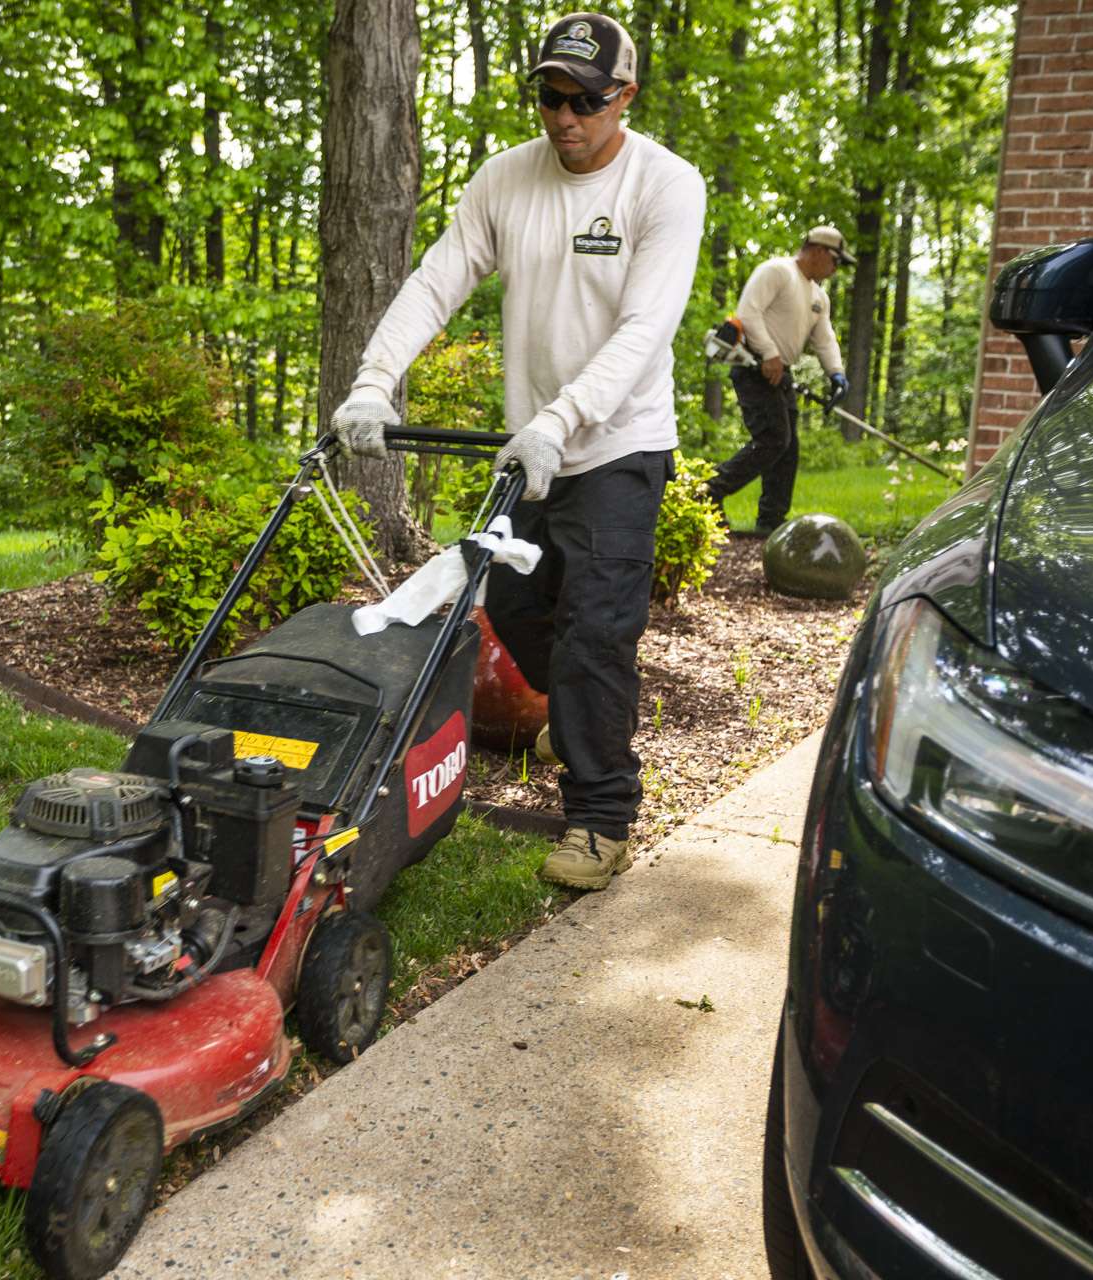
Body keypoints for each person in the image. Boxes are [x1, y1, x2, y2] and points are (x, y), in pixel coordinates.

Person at [328, 12, 706, 891]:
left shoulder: (665, 184)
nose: (564, 116)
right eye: (549, 95)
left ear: (626, 97)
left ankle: (601, 819)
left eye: (586, 100)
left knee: (595, 636)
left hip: (618, 445)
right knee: (522, 611)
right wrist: (373, 380)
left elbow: (647, 328)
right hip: (530, 449)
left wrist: (563, 417)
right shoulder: (507, 180)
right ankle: (578, 722)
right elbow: (438, 280)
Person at [703, 227, 854, 536]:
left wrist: (836, 373)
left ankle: (771, 522)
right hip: (754, 366)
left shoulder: (818, 296)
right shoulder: (777, 272)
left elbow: (824, 339)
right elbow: (748, 313)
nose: (836, 269)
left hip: (780, 372)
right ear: (819, 251)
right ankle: (709, 491)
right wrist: (770, 353)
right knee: (774, 438)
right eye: (836, 261)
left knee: (788, 449)